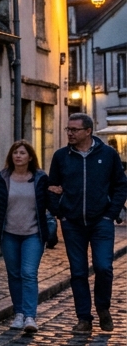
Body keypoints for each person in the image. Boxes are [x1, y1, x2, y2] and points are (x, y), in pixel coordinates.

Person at [47, 113, 127, 333]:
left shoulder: (108, 155)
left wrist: (110, 213)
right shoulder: (61, 156)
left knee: (104, 267)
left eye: (74, 130)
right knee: (78, 272)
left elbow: (121, 185)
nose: (70, 133)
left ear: (88, 131)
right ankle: (84, 318)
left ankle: (103, 308)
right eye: (68, 129)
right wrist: (59, 212)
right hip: (72, 223)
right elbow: (52, 186)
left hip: (101, 221)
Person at [0, 140, 58, 334]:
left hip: (34, 233)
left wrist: (60, 194)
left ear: (30, 157)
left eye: (22, 153)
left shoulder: (40, 178)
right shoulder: (2, 178)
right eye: (15, 153)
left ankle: (30, 316)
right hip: (9, 234)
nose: (18, 156)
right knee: (14, 274)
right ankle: (19, 314)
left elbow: (52, 204)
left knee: (28, 273)